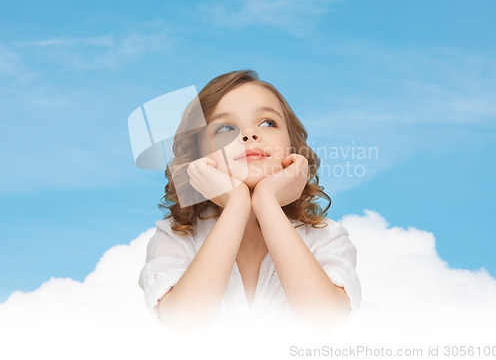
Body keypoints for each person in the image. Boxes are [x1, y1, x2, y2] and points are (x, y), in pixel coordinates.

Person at [138, 70, 361, 329]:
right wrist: (237, 203)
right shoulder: (174, 238)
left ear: (292, 145)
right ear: (197, 155)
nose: (249, 135)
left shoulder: (326, 237)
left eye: (268, 123)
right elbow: (184, 322)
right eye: (225, 128)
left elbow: (324, 319)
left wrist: (266, 201)